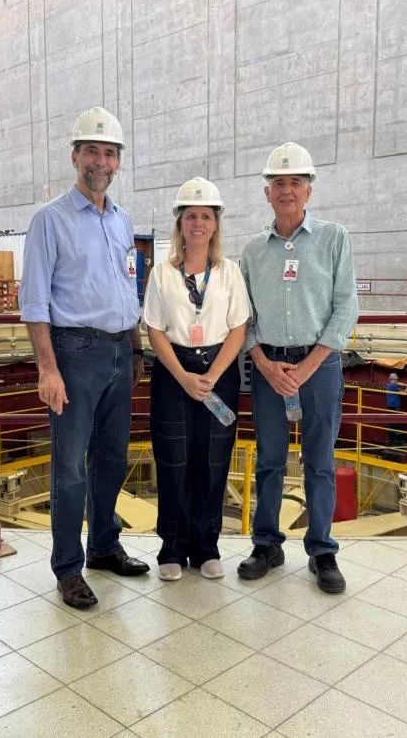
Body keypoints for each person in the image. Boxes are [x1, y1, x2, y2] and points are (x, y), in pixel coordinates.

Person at [19, 106, 149, 609]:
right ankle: (68, 567)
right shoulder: (49, 220)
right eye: (92, 150)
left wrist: (135, 348)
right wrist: (48, 369)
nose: (101, 160)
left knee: (112, 459)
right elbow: (34, 303)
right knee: (71, 467)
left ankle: (104, 546)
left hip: (120, 351)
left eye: (110, 152)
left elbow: (127, 286)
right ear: (75, 157)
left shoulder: (122, 221)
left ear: (118, 162)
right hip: (74, 355)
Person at [238, 142, 359, 594]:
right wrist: (263, 363)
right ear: (267, 193)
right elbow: (243, 318)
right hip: (268, 367)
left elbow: (346, 306)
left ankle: (322, 551)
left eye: (295, 183)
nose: (287, 191)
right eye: (279, 184)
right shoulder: (252, 251)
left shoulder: (334, 238)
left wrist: (308, 366)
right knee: (269, 459)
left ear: (309, 191)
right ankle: (267, 544)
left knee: (320, 462)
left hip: (320, 366)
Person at [143, 177, 250, 582]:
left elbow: (238, 328)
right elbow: (154, 329)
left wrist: (211, 376)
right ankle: (171, 546)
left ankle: (206, 546)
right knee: (173, 461)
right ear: (180, 223)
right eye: (191, 216)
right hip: (174, 374)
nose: (199, 223)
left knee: (213, 461)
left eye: (206, 216)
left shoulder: (229, 273)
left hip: (218, 373)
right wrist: (185, 377)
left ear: (216, 223)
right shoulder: (162, 274)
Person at [385, 372, 407, 446]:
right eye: (396, 380)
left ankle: (392, 439)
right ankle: (399, 440)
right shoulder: (393, 386)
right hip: (395, 406)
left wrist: (404, 385)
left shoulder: (389, 385)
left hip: (390, 406)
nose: (397, 381)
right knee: (397, 423)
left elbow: (398, 384)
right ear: (393, 380)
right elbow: (402, 393)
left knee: (392, 423)